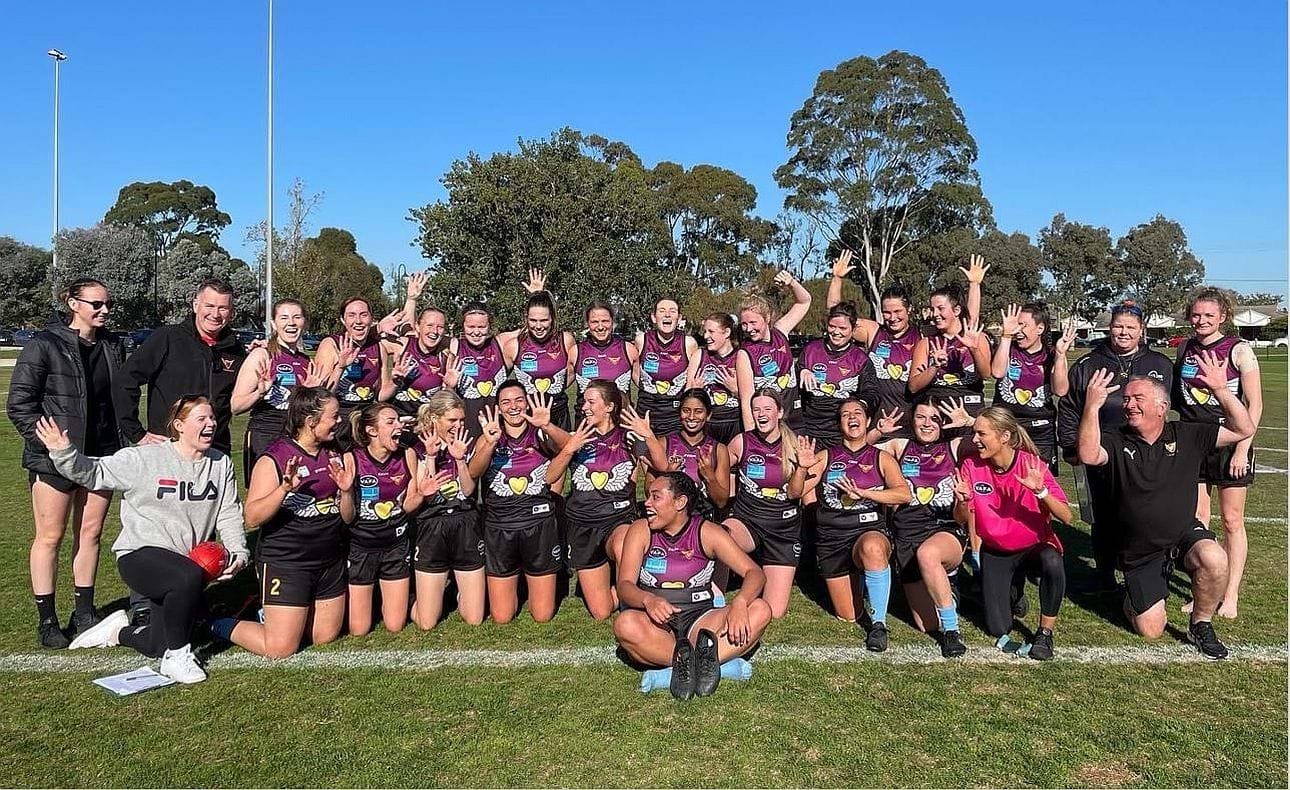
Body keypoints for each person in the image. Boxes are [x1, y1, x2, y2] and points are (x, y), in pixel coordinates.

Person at [39, 397, 247, 684]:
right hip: (140, 555)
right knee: (188, 578)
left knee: (155, 644)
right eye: (201, 419)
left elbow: (229, 511)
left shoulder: (220, 464)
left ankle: (117, 631)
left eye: (211, 418)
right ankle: (177, 657)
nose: (210, 423)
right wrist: (63, 453)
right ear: (179, 426)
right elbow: (94, 472)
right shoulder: (145, 458)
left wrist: (238, 551)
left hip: (181, 564)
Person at [1077, 360, 1254, 659]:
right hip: (1140, 549)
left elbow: (1243, 428)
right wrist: (1093, 407)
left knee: (1214, 558)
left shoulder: (1186, 434)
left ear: (1161, 406)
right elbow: (1088, 454)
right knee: (1151, 629)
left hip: (1182, 534)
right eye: (1127, 399)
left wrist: (1222, 390)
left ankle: (1201, 623)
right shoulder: (1116, 438)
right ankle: (1132, 597)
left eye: (1137, 399)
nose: (1129, 405)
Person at [8, 278, 124, 647]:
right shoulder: (44, 344)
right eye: (97, 304)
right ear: (74, 304)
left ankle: (85, 611)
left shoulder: (114, 346)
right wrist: (50, 444)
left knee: (90, 534)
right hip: (53, 459)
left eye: (107, 304)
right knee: (51, 536)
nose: (104, 310)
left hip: (101, 456)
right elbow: (20, 404)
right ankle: (47, 619)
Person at [213, 386, 353, 658]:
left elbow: (347, 517)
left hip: (329, 560)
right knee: (280, 648)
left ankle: (278, 613)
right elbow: (252, 518)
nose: (339, 421)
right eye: (333, 417)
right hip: (288, 561)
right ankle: (220, 623)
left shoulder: (335, 451)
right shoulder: (274, 457)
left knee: (324, 638)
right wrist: (283, 489)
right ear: (311, 422)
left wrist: (347, 490)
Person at [614, 473, 774, 700]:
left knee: (760, 610)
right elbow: (624, 586)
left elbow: (754, 572)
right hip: (658, 625)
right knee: (625, 625)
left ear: (680, 502)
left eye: (656, 497)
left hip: (701, 620)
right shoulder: (640, 529)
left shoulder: (708, 531)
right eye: (648, 496)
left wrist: (739, 602)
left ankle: (680, 667)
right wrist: (648, 600)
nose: (647, 503)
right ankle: (711, 664)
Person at [1058, 300, 1173, 591]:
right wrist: (1072, 447)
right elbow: (1070, 407)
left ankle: (1147, 570)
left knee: (1145, 512)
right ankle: (1105, 572)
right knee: (1104, 514)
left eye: (1130, 327)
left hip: (1146, 453)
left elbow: (1175, 408)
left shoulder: (1159, 364)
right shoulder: (1088, 363)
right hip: (1102, 451)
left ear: (1142, 330)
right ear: (1110, 328)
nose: (1123, 332)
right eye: (1118, 326)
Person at [1172, 289, 1262, 619]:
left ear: (1222, 316)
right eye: (1196, 315)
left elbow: (1255, 404)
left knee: (1232, 520)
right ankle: (1205, 589)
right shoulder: (1185, 347)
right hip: (1194, 441)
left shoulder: (1239, 349)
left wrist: (1242, 449)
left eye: (1209, 315)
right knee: (1197, 518)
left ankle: (1231, 592)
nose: (1202, 321)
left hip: (1230, 441)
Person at [956, 408, 1072, 660]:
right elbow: (961, 518)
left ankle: (1045, 632)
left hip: (1033, 547)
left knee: (1052, 561)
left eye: (981, 433)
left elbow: (1066, 516)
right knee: (998, 628)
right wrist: (963, 502)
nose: (974, 439)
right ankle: (1015, 591)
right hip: (996, 550)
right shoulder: (971, 465)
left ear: (1004, 436)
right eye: (974, 433)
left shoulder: (1031, 464)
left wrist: (1041, 492)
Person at [801, 398, 908, 651]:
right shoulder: (826, 456)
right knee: (849, 616)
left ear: (868, 421)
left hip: (866, 530)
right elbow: (796, 492)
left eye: (858, 413)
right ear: (840, 424)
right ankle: (866, 578)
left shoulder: (881, 458)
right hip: (832, 539)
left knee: (872, 548)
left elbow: (903, 494)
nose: (852, 417)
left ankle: (879, 625)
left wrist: (866, 494)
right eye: (845, 414)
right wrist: (799, 469)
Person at [467, 383, 579, 624]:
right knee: (502, 617)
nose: (513, 407)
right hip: (500, 527)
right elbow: (473, 472)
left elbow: (571, 444)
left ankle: (543, 579)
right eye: (506, 402)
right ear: (498, 408)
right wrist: (489, 444)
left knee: (542, 616)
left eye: (518, 400)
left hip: (538, 525)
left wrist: (547, 425)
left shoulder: (538, 433)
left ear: (527, 403)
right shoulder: (488, 436)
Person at [878, 399, 973, 658]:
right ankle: (946, 588)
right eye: (921, 417)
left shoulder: (953, 446)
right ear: (912, 420)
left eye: (934, 418)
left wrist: (970, 422)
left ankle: (952, 631)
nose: (927, 423)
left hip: (942, 530)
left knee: (928, 554)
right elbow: (857, 450)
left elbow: (1001, 437)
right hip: (907, 535)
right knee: (927, 625)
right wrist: (879, 430)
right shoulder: (900, 445)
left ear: (942, 423)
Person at [113, 278, 247, 454]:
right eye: (209, 306)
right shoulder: (168, 338)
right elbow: (124, 381)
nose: (215, 314)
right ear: (195, 305)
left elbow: (243, 396)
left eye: (223, 308)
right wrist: (137, 433)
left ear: (231, 313)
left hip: (216, 451)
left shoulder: (236, 351)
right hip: (168, 449)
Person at [721, 389, 813, 619]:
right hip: (748, 522)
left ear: (779, 412)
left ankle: (758, 573)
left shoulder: (795, 444)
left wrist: (801, 467)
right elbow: (719, 465)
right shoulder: (741, 441)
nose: (761, 414)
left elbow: (794, 494)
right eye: (756, 409)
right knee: (720, 536)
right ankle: (714, 597)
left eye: (767, 409)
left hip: (783, 531)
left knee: (774, 611)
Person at [563, 381, 649, 620]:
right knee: (600, 612)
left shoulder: (628, 438)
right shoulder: (577, 437)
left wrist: (648, 437)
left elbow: (657, 467)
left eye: (591, 402)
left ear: (609, 407)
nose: (584, 407)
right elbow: (550, 476)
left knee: (624, 541)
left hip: (618, 520)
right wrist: (569, 449)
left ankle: (630, 600)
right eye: (584, 402)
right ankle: (629, 589)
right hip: (583, 525)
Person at [343, 403, 423, 636]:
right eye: (391, 422)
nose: (399, 426)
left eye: (398, 420)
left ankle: (409, 595)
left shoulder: (407, 454)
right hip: (361, 548)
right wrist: (347, 492)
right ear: (372, 430)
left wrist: (421, 494)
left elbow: (408, 506)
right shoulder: (351, 459)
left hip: (396, 546)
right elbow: (347, 518)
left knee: (395, 625)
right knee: (359, 629)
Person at [409, 391, 485, 629]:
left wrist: (460, 460)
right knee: (427, 623)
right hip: (432, 525)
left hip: (465, 522)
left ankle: (456, 590)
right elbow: (427, 496)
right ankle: (409, 599)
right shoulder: (416, 448)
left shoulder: (465, 442)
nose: (458, 425)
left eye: (461, 420)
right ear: (434, 418)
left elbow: (469, 490)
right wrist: (431, 457)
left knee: (474, 619)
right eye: (452, 420)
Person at [231, 298, 323, 485]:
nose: (291, 323)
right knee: (263, 500)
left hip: (297, 439)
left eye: (297, 317)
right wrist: (260, 392)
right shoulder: (262, 355)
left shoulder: (307, 362)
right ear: (273, 323)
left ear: (304, 322)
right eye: (284, 318)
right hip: (265, 437)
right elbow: (235, 406)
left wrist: (309, 393)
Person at [990, 303, 1075, 473]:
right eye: (1017, 324)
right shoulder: (1008, 348)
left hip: (1040, 431)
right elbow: (998, 372)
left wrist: (1060, 356)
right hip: (1007, 426)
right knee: (1005, 481)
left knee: (1040, 486)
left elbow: (1060, 390)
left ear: (1040, 328)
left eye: (1023, 325)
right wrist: (1006, 336)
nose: (1018, 330)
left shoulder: (1051, 354)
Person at [312, 296, 401, 449]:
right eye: (351, 315)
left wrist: (397, 382)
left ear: (372, 319)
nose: (358, 321)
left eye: (363, 315)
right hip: (339, 418)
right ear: (342, 320)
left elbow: (381, 394)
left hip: (365, 419)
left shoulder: (379, 347)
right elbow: (320, 395)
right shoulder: (331, 344)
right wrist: (340, 367)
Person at [909, 285, 991, 438]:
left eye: (940, 308)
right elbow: (913, 387)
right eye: (932, 309)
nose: (935, 314)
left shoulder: (977, 337)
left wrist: (974, 349)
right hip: (936, 419)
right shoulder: (926, 342)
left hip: (969, 414)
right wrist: (934, 366)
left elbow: (986, 374)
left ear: (957, 310)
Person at [500, 273, 578, 431]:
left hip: (559, 415)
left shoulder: (566, 340)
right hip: (526, 418)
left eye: (543, 320)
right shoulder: (514, 345)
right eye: (533, 320)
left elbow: (571, 374)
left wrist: (553, 390)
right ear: (526, 319)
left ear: (552, 319)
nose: (538, 326)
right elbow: (501, 382)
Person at [797, 302, 878, 448]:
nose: (836, 332)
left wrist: (858, 407)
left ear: (853, 329)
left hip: (840, 433)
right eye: (832, 326)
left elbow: (871, 393)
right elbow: (792, 381)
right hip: (810, 430)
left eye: (842, 328)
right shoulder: (811, 350)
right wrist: (801, 371)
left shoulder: (860, 359)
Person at [738, 272, 812, 430]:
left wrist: (792, 283)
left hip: (794, 420)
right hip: (769, 426)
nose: (749, 329)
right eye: (744, 324)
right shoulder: (745, 353)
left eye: (753, 322)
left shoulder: (780, 331)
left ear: (768, 317)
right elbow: (747, 402)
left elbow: (804, 301)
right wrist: (752, 440)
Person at [685, 312, 753, 444]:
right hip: (707, 424)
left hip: (735, 424)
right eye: (705, 331)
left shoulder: (741, 356)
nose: (706, 336)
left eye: (711, 331)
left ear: (727, 332)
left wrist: (736, 390)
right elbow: (687, 394)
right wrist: (695, 392)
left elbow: (753, 398)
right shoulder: (700, 355)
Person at [634, 298, 697, 436]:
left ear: (679, 318)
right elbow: (635, 373)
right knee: (642, 456)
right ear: (653, 317)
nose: (667, 315)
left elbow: (691, 381)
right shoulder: (641, 340)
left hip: (674, 417)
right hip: (645, 414)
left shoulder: (689, 343)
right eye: (662, 311)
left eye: (672, 311)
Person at [389, 306, 460, 427]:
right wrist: (378, 328)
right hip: (399, 421)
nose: (435, 331)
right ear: (417, 326)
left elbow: (446, 400)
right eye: (429, 325)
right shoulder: (401, 345)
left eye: (440, 327)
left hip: (428, 423)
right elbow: (365, 340)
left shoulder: (447, 355)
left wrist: (450, 387)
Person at [449, 302, 510, 441]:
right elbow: (420, 335)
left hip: (497, 426)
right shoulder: (454, 346)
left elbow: (534, 326)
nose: (476, 332)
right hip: (465, 428)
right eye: (471, 326)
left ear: (489, 327)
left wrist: (537, 295)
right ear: (462, 325)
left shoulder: (499, 343)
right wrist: (411, 300)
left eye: (481, 327)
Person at [574, 301, 637, 414]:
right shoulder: (575, 352)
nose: (600, 327)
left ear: (612, 322)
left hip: (621, 421)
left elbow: (644, 383)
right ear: (587, 323)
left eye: (605, 321)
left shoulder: (629, 349)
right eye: (594, 322)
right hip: (587, 422)